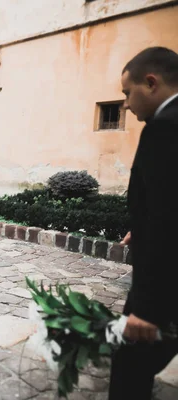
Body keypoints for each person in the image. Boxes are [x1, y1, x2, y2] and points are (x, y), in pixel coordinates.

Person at [109, 47, 178, 399]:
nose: (125, 104)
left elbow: (169, 219)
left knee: (128, 370)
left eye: (126, 93)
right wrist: (145, 226)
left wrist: (147, 311)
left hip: (162, 291)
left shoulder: (164, 128)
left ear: (150, 82)